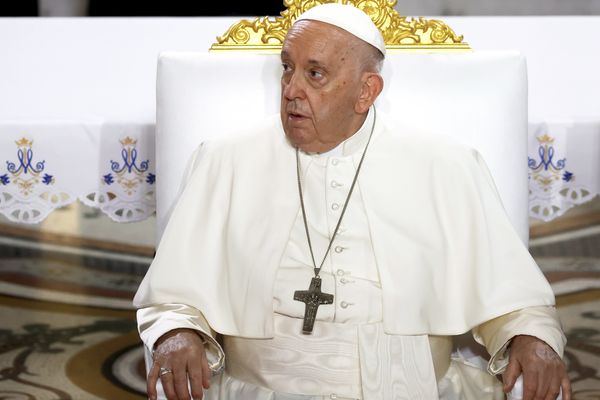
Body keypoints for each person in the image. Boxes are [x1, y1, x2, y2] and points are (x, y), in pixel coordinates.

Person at [133, 3, 571, 400]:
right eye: (287, 68)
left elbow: (513, 297)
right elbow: (173, 294)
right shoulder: (224, 160)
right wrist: (177, 333)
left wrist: (531, 338)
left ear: (367, 91)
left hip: (410, 389)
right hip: (258, 390)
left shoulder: (446, 165)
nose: (290, 90)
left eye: (315, 74)